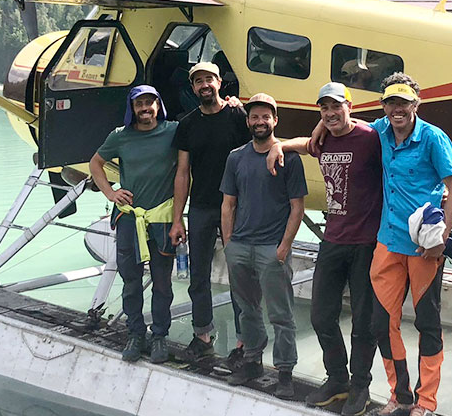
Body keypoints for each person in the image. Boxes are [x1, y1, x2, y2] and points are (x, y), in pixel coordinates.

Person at [270, 82, 381, 416]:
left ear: (350, 106)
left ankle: (360, 384)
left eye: (337, 107)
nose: (331, 114)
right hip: (333, 240)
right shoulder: (324, 140)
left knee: (363, 321)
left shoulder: (370, 137)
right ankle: (338, 378)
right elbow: (306, 145)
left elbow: (395, 132)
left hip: (366, 242)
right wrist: (281, 146)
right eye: (324, 109)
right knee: (321, 316)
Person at [360, 73, 452, 416]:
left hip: (423, 248)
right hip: (388, 243)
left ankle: (426, 403)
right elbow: (345, 124)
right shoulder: (381, 131)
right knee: (380, 323)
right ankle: (400, 396)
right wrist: (296, 141)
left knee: (427, 324)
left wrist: (442, 239)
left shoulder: (433, 138)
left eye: (404, 103)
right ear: (384, 106)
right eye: (391, 102)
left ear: (415, 105)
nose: (397, 109)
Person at [219, 93, 307, 399]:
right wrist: (229, 244)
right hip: (241, 246)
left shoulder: (289, 158)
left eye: (265, 117)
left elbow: (298, 208)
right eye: (254, 117)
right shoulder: (235, 157)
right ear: (248, 121)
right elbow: (228, 204)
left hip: (272, 248)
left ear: (275, 121)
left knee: (281, 315)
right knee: (247, 309)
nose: (260, 122)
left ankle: (284, 372)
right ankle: (252, 361)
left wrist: (284, 247)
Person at [89, 85, 179, 364]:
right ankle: (135, 333)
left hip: (162, 218)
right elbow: (95, 163)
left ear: (158, 105)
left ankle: (160, 335)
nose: (145, 109)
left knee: (163, 282)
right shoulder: (120, 136)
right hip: (130, 218)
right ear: (132, 108)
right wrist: (111, 193)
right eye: (139, 104)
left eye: (150, 102)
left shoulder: (173, 131)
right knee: (131, 280)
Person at [171, 62, 250, 361]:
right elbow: (182, 172)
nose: (204, 85)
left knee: (240, 275)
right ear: (193, 88)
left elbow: (255, 153)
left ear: (219, 82)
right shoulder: (188, 124)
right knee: (198, 275)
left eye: (209, 79)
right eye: (198, 82)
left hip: (237, 206)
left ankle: (244, 342)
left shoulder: (237, 115)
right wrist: (178, 219)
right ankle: (202, 335)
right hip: (202, 207)